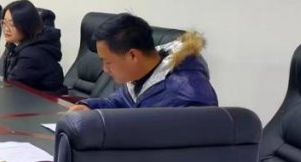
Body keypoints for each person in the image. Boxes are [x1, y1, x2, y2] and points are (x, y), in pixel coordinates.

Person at [69, 13, 217, 111]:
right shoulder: (143, 74)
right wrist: (89, 107)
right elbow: (119, 102)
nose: (105, 69)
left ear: (133, 55)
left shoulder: (189, 93)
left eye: (107, 62)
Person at [0, 0, 63, 92]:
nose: (6, 29)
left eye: (12, 24)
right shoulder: (15, 43)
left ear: (27, 25)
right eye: (4, 23)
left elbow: (13, 87)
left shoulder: (32, 55)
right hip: (25, 96)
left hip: (45, 99)